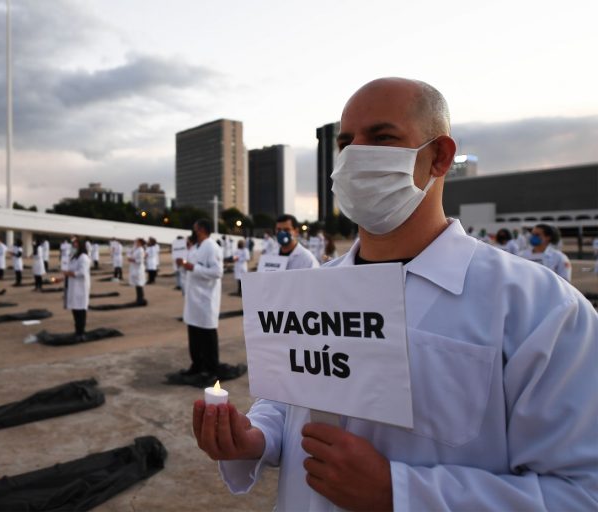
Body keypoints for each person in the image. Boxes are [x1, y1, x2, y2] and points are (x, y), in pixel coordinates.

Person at [192, 77, 598, 510]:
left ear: (439, 156)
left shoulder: (539, 308)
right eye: (346, 142)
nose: (356, 155)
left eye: (382, 138)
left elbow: (580, 491)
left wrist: (399, 491)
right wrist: (255, 437)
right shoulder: (310, 291)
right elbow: (287, 405)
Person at [176, 219, 224, 377]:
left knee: (207, 336)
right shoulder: (196, 247)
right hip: (193, 299)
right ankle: (197, 365)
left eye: (195, 228)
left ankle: (211, 368)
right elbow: (190, 267)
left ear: (202, 229)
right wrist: (183, 265)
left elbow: (217, 272)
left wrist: (193, 268)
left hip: (205, 299)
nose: (193, 231)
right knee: (194, 335)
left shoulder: (211, 246)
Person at [63, 237, 91, 341]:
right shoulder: (75, 257)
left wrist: (69, 273)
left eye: (76, 244)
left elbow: (82, 273)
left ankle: (81, 332)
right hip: (74, 286)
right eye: (73, 244)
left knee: (80, 310)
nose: (74, 246)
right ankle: (77, 331)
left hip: (80, 287)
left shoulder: (83, 257)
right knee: (75, 309)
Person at [128, 238, 147, 304]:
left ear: (140, 243)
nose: (136, 243)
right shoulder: (136, 249)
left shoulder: (141, 250)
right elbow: (131, 254)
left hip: (138, 269)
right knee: (137, 284)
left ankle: (140, 299)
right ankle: (138, 299)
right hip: (135, 268)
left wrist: (132, 260)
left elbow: (140, 261)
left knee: (139, 284)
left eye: (137, 242)